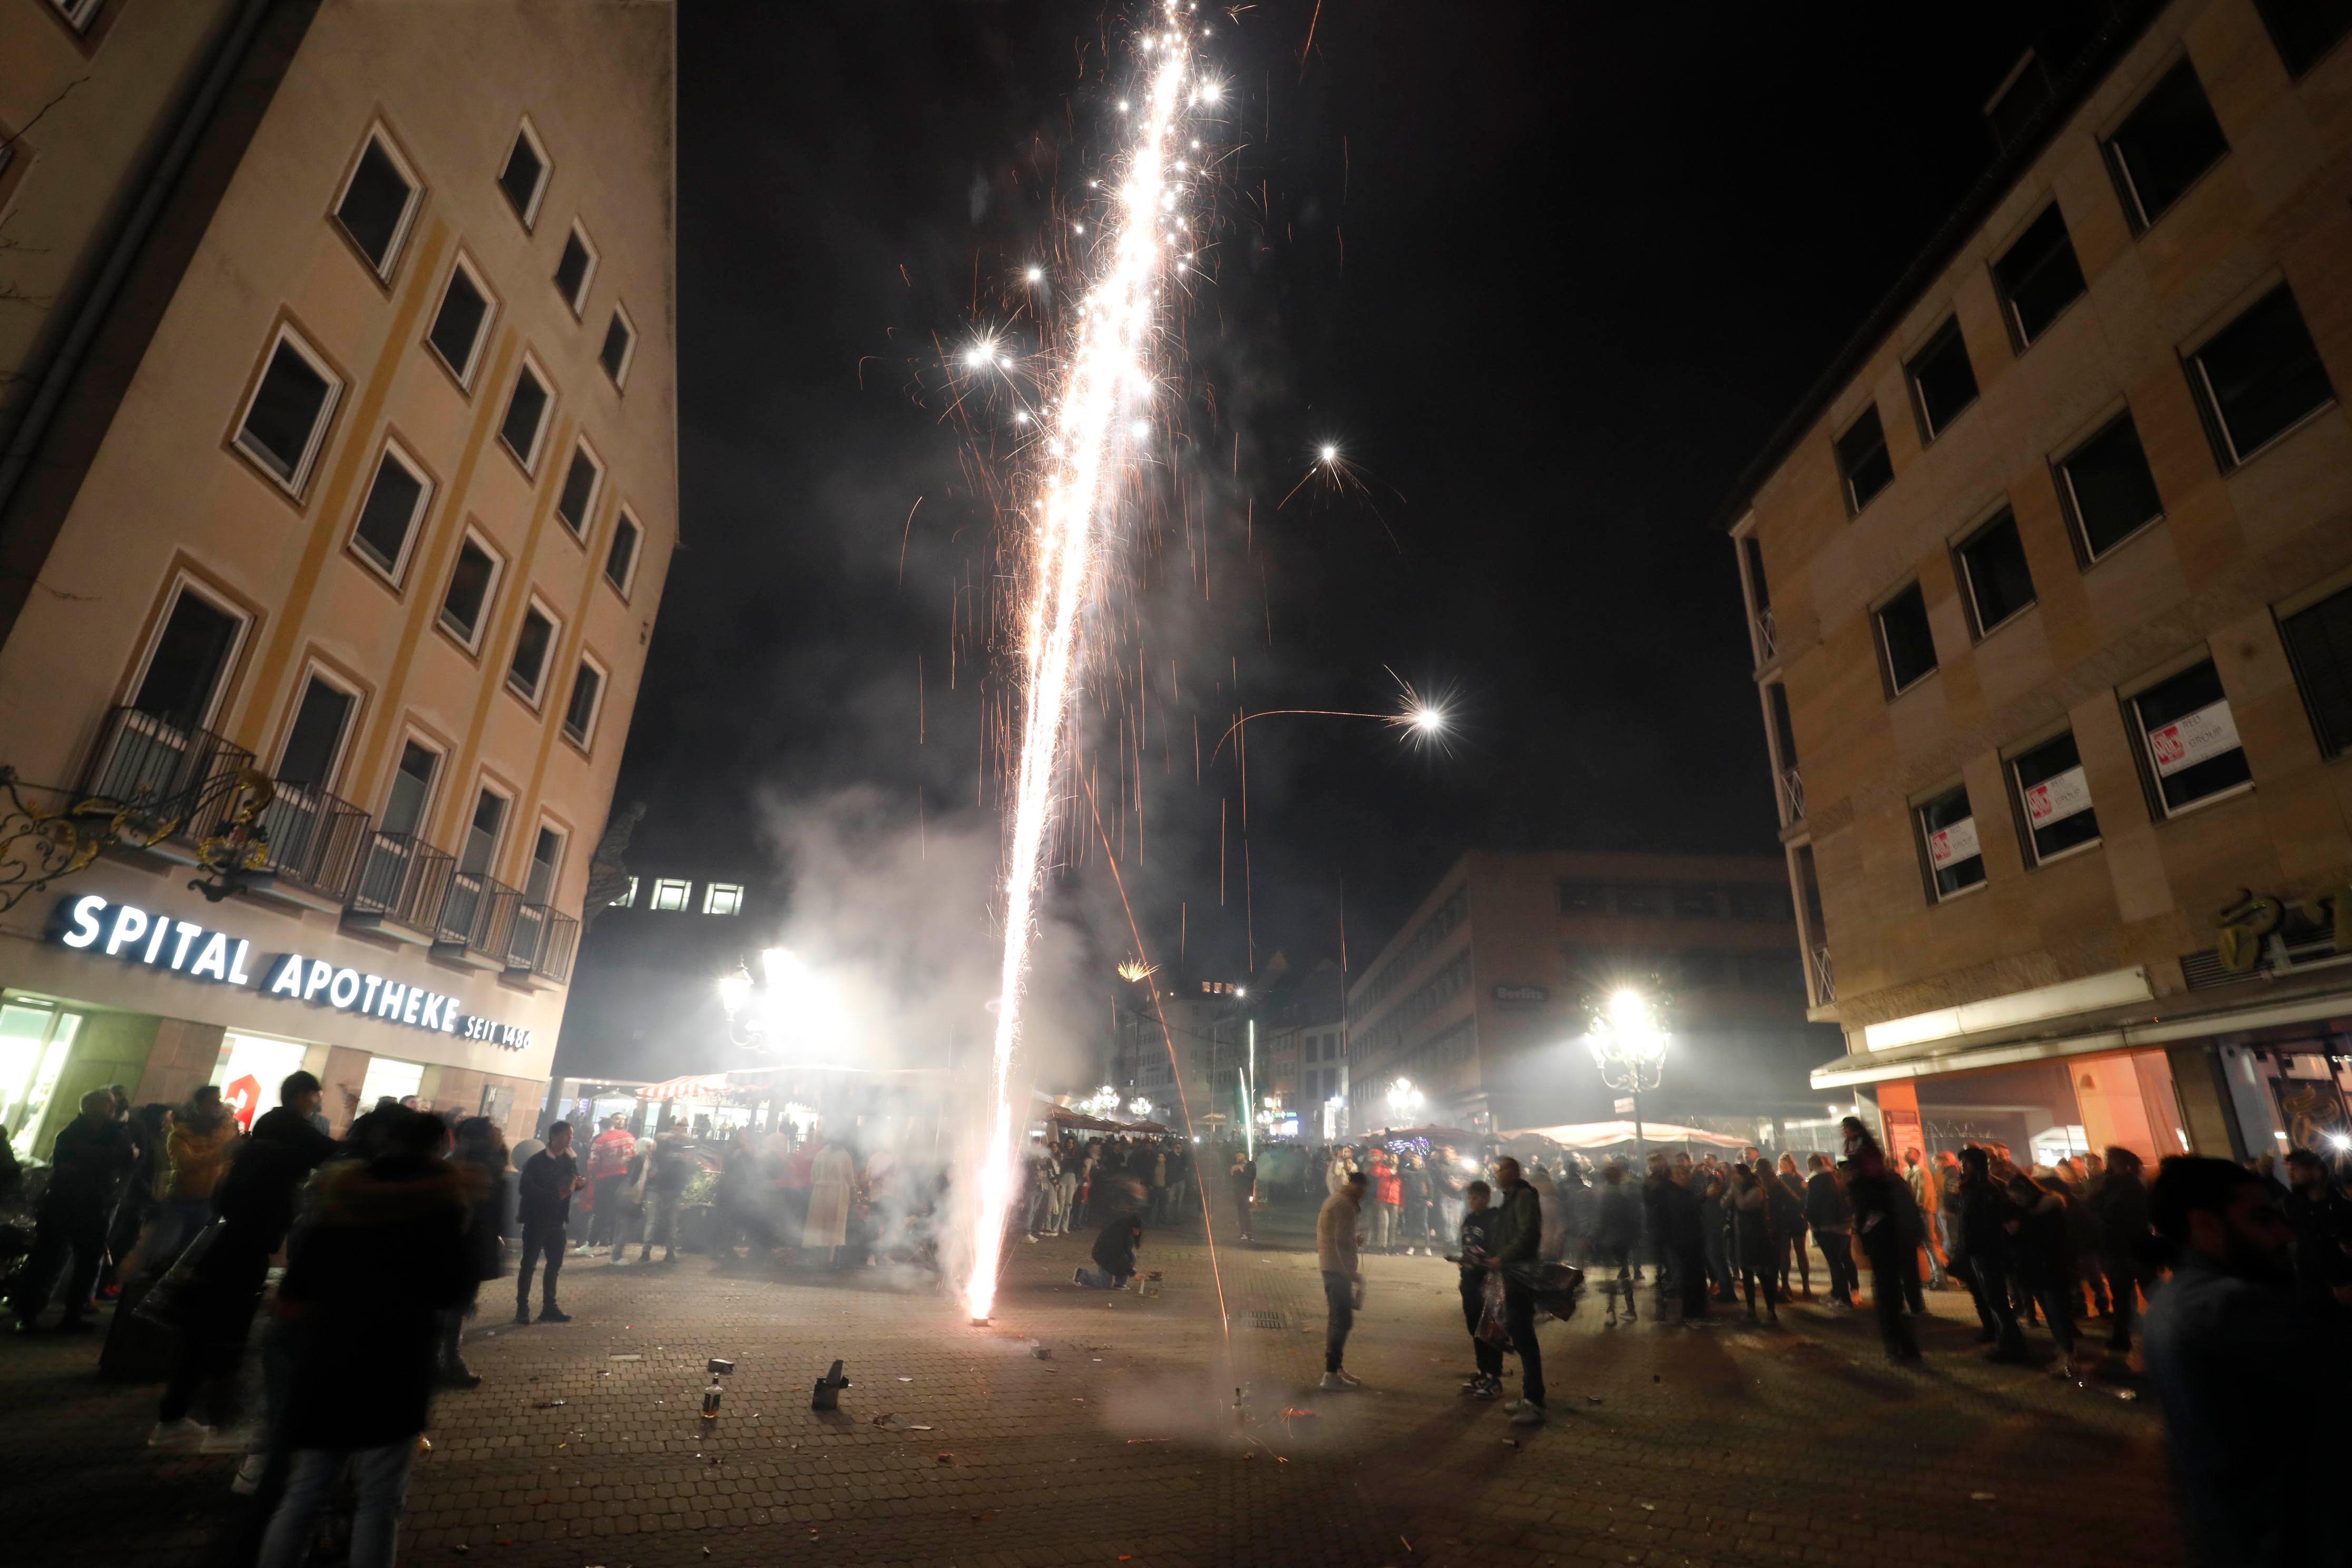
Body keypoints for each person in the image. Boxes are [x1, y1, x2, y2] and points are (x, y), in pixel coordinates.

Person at [254, 1109, 472, 1568]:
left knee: (305, 1493)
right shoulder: (440, 1205)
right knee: (380, 1502)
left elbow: (297, 1286)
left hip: (328, 1356)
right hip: (396, 1360)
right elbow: (452, 1288)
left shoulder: (343, 1196)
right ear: (437, 1148)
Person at [2142, 1156, 2347, 1568]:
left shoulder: (2171, 1299)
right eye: (2262, 1219)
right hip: (2286, 1538)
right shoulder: (2230, 1306)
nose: (2283, 1233)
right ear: (2205, 1226)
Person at [12, 1087, 134, 1332]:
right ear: (90, 1107)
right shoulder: (72, 1134)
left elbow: (123, 1160)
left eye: (113, 1105)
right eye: (107, 1104)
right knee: (48, 1259)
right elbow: (96, 1161)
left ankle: (72, 1315)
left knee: (86, 1262)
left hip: (94, 1205)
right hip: (65, 1203)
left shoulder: (114, 1133)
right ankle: (29, 1313)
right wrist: (119, 1155)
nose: (112, 1109)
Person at [121, 1084, 239, 1282]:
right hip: (181, 1200)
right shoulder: (181, 1134)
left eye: (219, 1099)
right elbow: (187, 1163)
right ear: (200, 1105)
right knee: (161, 1249)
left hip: (210, 1201)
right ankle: (140, 1286)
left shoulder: (227, 1129)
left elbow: (228, 1164)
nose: (219, 1104)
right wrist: (224, 1152)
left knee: (191, 1253)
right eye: (213, 1100)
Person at [1843, 1119, 1922, 1363]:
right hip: (1893, 1243)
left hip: (1887, 1243)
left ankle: (1898, 1348)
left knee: (1888, 1298)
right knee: (1891, 1297)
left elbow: (1869, 1214)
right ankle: (1903, 1347)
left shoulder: (1872, 1190)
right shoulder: (1889, 1184)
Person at [441, 1116, 507, 1387]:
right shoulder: (478, 1162)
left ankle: (445, 1363)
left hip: (464, 1247)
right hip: (462, 1248)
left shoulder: (462, 1158)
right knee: (453, 1309)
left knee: (454, 1308)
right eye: (495, 1129)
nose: (500, 1132)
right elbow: (478, 1211)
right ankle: (449, 1365)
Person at [1951, 1144, 2025, 1363]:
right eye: (1962, 1162)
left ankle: (2012, 1346)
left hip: (1987, 1251)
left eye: (1967, 1162)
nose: (1963, 1167)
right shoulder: (1972, 1187)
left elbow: (1990, 1220)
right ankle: (2006, 1342)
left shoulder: (1986, 1188)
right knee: (1991, 1298)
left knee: (1997, 1299)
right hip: (1977, 1250)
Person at [1489, 1157, 1546, 1425]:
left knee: (1524, 1336)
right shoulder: (1512, 1197)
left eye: (1498, 1170)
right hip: (1511, 1274)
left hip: (1520, 1274)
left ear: (1511, 1172)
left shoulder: (1523, 1197)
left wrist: (1505, 1256)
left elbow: (1528, 1234)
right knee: (1520, 1335)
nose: (1495, 1175)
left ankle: (1535, 1402)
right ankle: (1529, 1395)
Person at [2008, 1173, 2080, 1378]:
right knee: (2052, 1313)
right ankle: (2064, 1353)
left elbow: (2051, 1241)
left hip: (2050, 1268)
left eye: (2018, 1197)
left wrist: (2021, 1232)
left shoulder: (2049, 1210)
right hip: (2037, 1269)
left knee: (2057, 1313)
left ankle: (2068, 1357)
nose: (2017, 1202)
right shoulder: (2029, 1210)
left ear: (2028, 1192)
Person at [515, 1121, 584, 1323]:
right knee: (529, 1264)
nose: (570, 1138)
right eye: (567, 1135)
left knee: (554, 1264)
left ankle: (549, 1307)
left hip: (558, 1219)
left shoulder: (569, 1160)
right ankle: (522, 1308)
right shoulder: (537, 1161)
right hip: (537, 1219)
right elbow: (525, 1189)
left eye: (571, 1135)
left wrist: (578, 1185)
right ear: (554, 1136)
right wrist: (556, 1195)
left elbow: (571, 1182)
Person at [2091, 1146, 2151, 1351]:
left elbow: (2118, 1214)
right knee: (2124, 1294)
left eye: (2111, 1160)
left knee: (2146, 1290)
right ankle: (2122, 1335)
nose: (2107, 1163)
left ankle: (2126, 1335)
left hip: (2130, 1247)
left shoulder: (2131, 1187)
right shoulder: (2110, 1185)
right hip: (2119, 1248)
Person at [1453, 1179, 1505, 1395]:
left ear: (1486, 1198)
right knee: (1474, 1327)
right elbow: (1466, 1245)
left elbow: (1500, 1249)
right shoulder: (1469, 1218)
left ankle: (1494, 1377)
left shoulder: (1494, 1219)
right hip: (1469, 1278)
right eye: (1470, 1197)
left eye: (1475, 1197)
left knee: (1489, 1328)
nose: (1472, 1201)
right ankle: (1482, 1372)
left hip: (1488, 1280)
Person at [1317, 1170, 1367, 1391]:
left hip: (1333, 1267)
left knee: (1338, 1320)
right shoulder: (1344, 1205)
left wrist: (1353, 1241)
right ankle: (1331, 1374)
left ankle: (1336, 1368)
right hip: (1338, 1270)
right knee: (1342, 1321)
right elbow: (1338, 1241)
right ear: (1357, 1186)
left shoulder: (1340, 1201)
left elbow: (1339, 1237)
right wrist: (1351, 1273)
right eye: (1364, 1190)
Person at [1591, 1160, 1641, 1325]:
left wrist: (1592, 1237)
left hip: (1608, 1241)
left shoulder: (1605, 1196)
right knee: (1624, 1274)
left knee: (1611, 1278)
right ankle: (1631, 1309)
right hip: (1623, 1241)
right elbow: (1633, 1218)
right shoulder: (1623, 1195)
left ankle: (1611, 1312)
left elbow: (1600, 1221)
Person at [1804, 1153, 1856, 1308]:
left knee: (1835, 1263)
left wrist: (1812, 1223)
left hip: (1828, 1226)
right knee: (1843, 1260)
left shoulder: (1816, 1180)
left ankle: (1844, 1298)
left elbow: (1812, 1205)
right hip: (1845, 1225)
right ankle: (1843, 1293)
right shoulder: (1837, 1176)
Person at [1731, 1164, 1778, 1325]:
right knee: (1747, 1275)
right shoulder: (1737, 1188)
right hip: (1742, 1237)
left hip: (1756, 1237)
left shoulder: (1756, 1190)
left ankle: (1771, 1311)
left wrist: (1735, 1190)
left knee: (1762, 1274)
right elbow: (1724, 1203)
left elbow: (1743, 1205)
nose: (1733, 1177)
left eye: (1735, 1174)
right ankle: (1751, 1310)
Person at [582, 1114, 635, 1254]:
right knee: (617, 1213)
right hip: (623, 1179)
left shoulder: (601, 1141)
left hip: (605, 1180)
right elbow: (634, 1157)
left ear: (601, 1128)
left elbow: (593, 1164)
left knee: (600, 1213)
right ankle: (613, 1244)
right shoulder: (630, 1137)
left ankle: (591, 1245)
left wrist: (593, 1174)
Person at [638, 1132, 688, 1265]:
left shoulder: (654, 1157)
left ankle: (646, 1252)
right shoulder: (678, 1159)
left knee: (652, 1221)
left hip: (655, 1190)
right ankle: (670, 1253)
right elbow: (682, 1176)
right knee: (671, 1224)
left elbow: (649, 1175)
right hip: (672, 1192)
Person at [805, 1134, 854, 1268]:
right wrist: (853, 1194)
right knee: (835, 1226)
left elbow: (813, 1176)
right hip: (837, 1193)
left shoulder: (820, 1154)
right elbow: (850, 1178)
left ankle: (815, 1258)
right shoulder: (845, 1156)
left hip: (820, 1192)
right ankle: (831, 1260)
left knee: (818, 1225)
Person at [1904, 1146, 1947, 1289]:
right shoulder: (1908, 1171)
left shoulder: (1922, 1172)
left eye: (1910, 1154)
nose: (1906, 1156)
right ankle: (1935, 1277)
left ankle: (1940, 1279)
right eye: (1906, 1154)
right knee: (1927, 1245)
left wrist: (1917, 1207)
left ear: (1918, 1156)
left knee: (1930, 1245)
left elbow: (1924, 1193)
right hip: (1917, 1212)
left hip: (1924, 1212)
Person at [1773, 1153, 1810, 1301]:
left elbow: (1803, 1199)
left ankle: (1806, 1285)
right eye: (1780, 1165)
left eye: (1785, 1165)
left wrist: (1802, 1213)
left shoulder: (1798, 1180)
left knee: (1801, 1251)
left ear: (1791, 1165)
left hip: (1796, 1220)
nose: (1782, 1167)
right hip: (1783, 1221)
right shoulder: (1777, 1180)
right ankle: (1786, 1285)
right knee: (1784, 1253)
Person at [1074, 1210, 1142, 1289]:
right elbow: (1120, 1255)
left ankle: (1120, 1283)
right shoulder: (1118, 1234)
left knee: (1132, 1257)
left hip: (1113, 1255)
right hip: (1104, 1256)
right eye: (1136, 1230)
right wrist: (1133, 1273)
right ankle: (1082, 1275)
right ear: (1131, 1228)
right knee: (1104, 1285)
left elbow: (1125, 1254)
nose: (1137, 1234)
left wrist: (1128, 1269)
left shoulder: (1127, 1232)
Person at [1371, 1149, 1402, 1255]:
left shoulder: (1400, 1173)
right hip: (1383, 1200)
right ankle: (1383, 1246)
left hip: (1395, 1201)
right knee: (1384, 1224)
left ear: (1398, 1161)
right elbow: (1375, 1173)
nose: (1392, 1158)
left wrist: (1402, 1204)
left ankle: (1392, 1246)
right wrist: (1379, 1162)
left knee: (1393, 1225)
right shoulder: (1383, 1169)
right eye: (1391, 1157)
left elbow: (1403, 1190)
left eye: (1394, 1157)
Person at [1230, 1150, 1257, 1241]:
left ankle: (1249, 1233)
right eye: (1237, 1156)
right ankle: (1243, 1232)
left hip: (1247, 1192)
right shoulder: (1235, 1165)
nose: (1238, 1157)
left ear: (1244, 1155)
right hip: (1238, 1192)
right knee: (1241, 1212)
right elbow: (1233, 1178)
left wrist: (1242, 1170)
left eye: (1239, 1155)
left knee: (1247, 1212)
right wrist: (1233, 1171)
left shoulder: (1251, 1165)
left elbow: (1252, 1176)